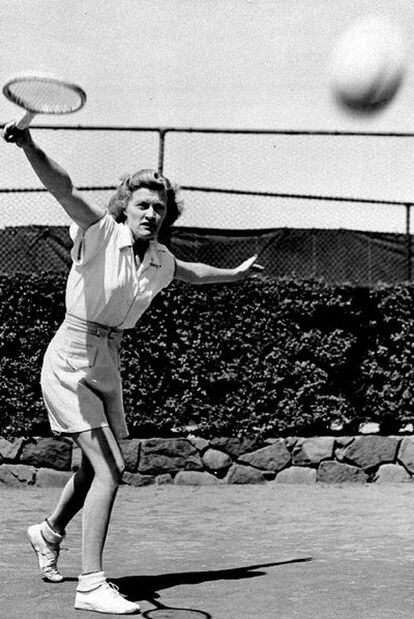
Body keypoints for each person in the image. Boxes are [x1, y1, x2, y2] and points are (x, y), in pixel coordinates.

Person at [2, 121, 261, 614]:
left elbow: (194, 273)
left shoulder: (159, 259)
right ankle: (91, 585)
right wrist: (28, 144)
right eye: (142, 204)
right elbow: (65, 188)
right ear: (125, 207)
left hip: (107, 361)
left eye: (160, 207)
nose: (151, 213)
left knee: (90, 468)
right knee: (111, 468)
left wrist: (234, 274)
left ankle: (48, 530)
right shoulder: (99, 232)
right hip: (69, 359)